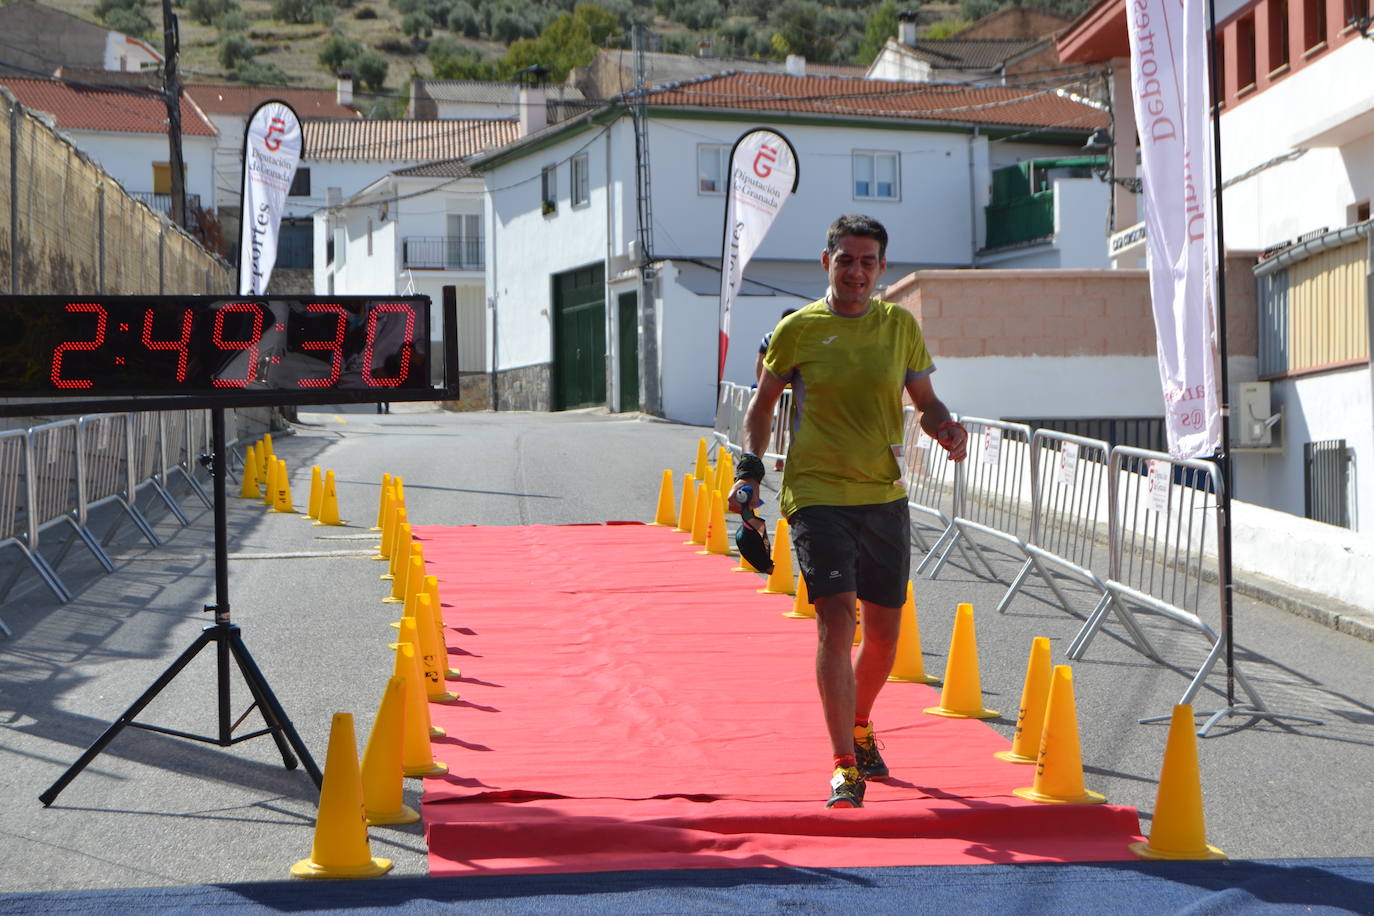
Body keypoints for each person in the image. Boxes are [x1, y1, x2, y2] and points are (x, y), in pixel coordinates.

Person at [728, 214, 968, 809]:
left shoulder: (899, 328)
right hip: (815, 494)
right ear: (826, 261)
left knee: (884, 638)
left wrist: (945, 427)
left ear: (881, 268)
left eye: (867, 262)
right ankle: (842, 766)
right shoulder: (799, 329)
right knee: (837, 621)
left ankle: (860, 725)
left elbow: (927, 399)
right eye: (846, 260)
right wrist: (748, 469)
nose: (856, 272)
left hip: (883, 495)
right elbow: (762, 406)